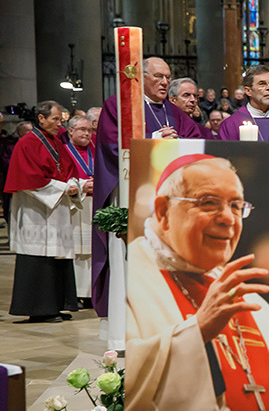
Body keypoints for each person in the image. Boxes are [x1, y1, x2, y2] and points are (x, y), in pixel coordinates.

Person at [125, 155, 269, 411]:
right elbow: (122, 383)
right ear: (163, 211)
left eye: (236, 206)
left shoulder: (242, 294)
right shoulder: (131, 277)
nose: (228, 219)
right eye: (209, 203)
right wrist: (197, 330)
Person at [94, 57, 202, 319]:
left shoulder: (173, 111)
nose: (165, 82)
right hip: (134, 194)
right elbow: (111, 144)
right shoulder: (119, 106)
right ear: (141, 77)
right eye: (158, 77)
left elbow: (198, 139)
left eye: (167, 77)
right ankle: (126, 321)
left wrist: (180, 143)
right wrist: (154, 140)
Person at [4, 101, 81, 323]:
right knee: (39, 258)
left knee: (56, 256)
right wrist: (64, 188)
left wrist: (74, 183)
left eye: (61, 119)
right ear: (41, 119)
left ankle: (55, 305)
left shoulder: (55, 142)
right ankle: (39, 309)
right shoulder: (27, 143)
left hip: (56, 208)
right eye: (56, 119)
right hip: (35, 210)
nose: (60, 124)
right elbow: (28, 179)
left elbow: (69, 169)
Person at [61, 115, 96, 306]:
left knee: (92, 251)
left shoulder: (95, 150)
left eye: (89, 130)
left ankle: (90, 293)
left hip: (93, 205)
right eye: (82, 129)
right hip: (74, 205)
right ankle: (75, 293)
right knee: (76, 250)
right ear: (71, 130)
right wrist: (82, 186)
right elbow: (61, 178)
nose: (86, 133)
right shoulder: (63, 151)